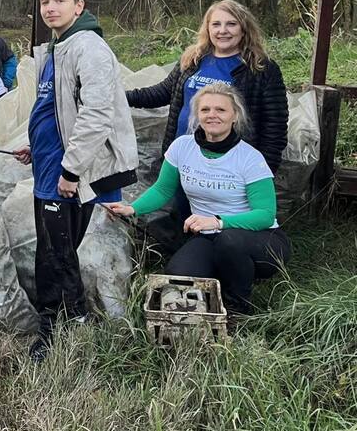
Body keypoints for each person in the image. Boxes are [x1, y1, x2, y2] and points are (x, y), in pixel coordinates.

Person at [13, 0, 138, 362]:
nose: (50, 8)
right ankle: (62, 317)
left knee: (57, 251)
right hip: (49, 164)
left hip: (66, 173)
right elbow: (58, 109)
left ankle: (63, 324)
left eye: (59, 0)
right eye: (44, 2)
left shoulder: (89, 48)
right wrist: (36, 145)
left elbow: (97, 115)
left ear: (78, 6)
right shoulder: (57, 48)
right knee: (51, 247)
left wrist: (71, 172)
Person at [106, 83, 290, 315]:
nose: (212, 115)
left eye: (221, 110)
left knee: (229, 241)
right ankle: (219, 278)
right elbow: (163, 189)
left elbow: (265, 215)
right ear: (197, 115)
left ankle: (239, 305)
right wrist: (132, 209)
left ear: (235, 116)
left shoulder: (250, 158)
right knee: (178, 277)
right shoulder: (182, 147)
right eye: (205, 110)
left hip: (261, 240)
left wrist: (217, 221)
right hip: (209, 237)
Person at [126, 0, 288, 227]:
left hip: (228, 162)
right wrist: (120, 98)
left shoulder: (260, 68)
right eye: (216, 24)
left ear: (244, 28)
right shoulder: (194, 59)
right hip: (185, 154)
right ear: (207, 28)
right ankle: (185, 255)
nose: (223, 30)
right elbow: (162, 92)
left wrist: (262, 170)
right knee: (184, 214)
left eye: (231, 24)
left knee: (220, 223)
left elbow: (275, 125)